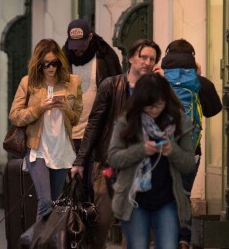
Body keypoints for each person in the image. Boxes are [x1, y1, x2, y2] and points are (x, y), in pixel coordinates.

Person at [71, 38, 162, 249]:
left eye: (152, 59)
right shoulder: (111, 85)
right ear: (131, 58)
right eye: (143, 57)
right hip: (108, 166)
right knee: (101, 222)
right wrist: (80, 161)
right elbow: (94, 124)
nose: (147, 62)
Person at [108, 73, 196, 249]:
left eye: (159, 105)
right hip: (133, 201)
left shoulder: (179, 121)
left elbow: (189, 165)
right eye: (149, 106)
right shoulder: (127, 121)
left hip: (167, 200)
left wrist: (173, 151)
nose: (154, 110)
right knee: (138, 245)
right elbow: (113, 157)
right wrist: (141, 150)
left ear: (166, 100)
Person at [9, 38, 83, 220]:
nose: (51, 68)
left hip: (61, 149)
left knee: (55, 204)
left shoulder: (73, 82)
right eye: (46, 64)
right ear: (38, 64)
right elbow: (15, 115)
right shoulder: (28, 83)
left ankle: (48, 241)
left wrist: (65, 107)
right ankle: (38, 243)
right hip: (38, 148)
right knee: (45, 201)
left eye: (54, 63)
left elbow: (75, 119)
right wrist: (39, 108)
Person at [161, 38, 222, 249]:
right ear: (193, 60)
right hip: (191, 149)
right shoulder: (200, 83)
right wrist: (198, 76)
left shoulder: (158, 81)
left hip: (161, 150)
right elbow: (214, 110)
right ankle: (184, 239)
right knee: (184, 194)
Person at [63, 19, 122, 201]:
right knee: (75, 189)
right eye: (74, 46)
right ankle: (77, 227)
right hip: (71, 133)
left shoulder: (105, 56)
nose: (78, 50)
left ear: (90, 37)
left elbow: (117, 92)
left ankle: (97, 225)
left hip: (99, 133)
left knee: (96, 186)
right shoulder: (63, 57)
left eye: (81, 45)